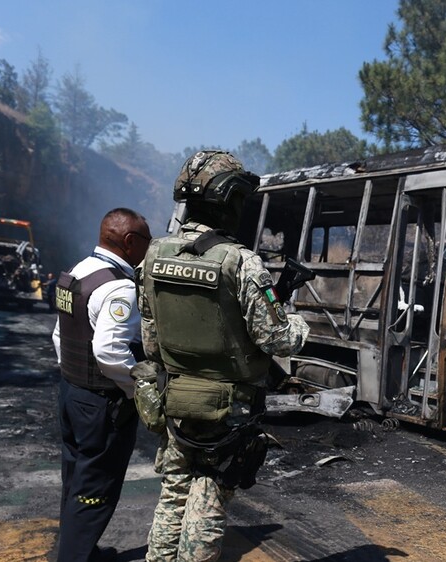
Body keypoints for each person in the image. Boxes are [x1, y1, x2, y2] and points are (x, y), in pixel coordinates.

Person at [138, 150, 308, 561]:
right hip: (228, 407)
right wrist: (298, 322)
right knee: (209, 495)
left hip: (175, 399)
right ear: (229, 201)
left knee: (174, 492)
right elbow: (279, 340)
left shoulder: (155, 254)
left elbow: (150, 340)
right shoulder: (241, 262)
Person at [52, 207, 152, 561]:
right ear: (129, 242)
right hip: (101, 404)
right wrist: (136, 389)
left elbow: (61, 335)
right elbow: (109, 351)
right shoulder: (120, 287)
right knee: (95, 489)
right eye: (147, 240)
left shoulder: (78, 271)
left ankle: (81, 550)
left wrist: (73, 377)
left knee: (75, 479)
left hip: (72, 393)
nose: (149, 247)